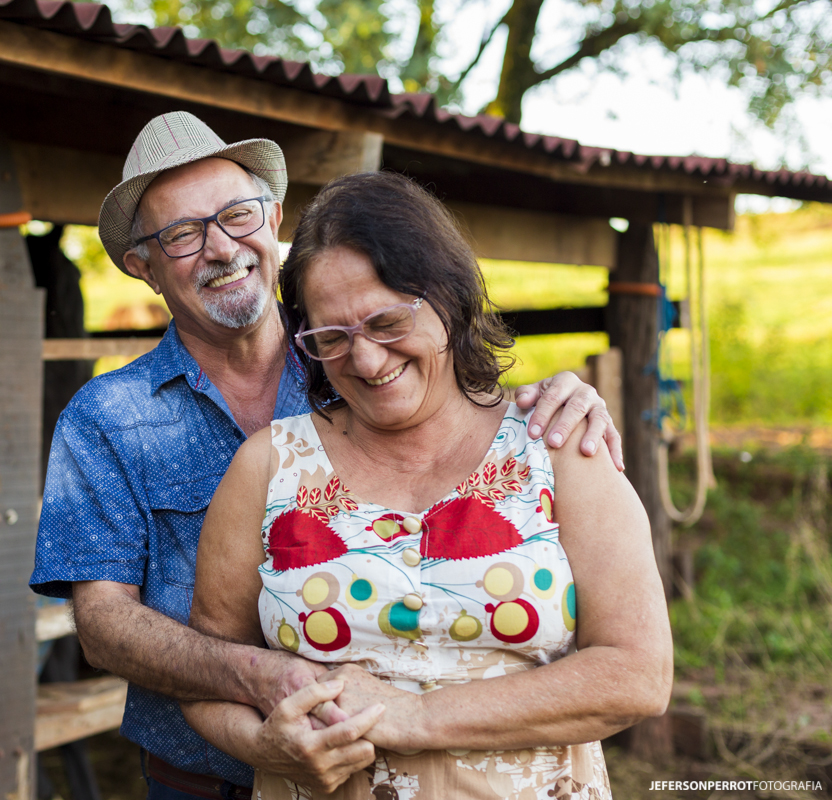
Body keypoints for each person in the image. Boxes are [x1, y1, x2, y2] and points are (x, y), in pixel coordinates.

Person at [30, 111, 627, 800]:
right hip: (200, 772)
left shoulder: (352, 354)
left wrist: (553, 397)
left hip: (410, 766)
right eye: (183, 235)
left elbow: (461, 418)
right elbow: (103, 626)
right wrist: (261, 681)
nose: (222, 247)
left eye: (236, 214)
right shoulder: (105, 417)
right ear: (143, 265)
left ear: (275, 216)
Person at [181, 171, 672, 799]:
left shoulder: (557, 447)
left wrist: (415, 717)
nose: (365, 360)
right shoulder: (268, 467)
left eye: (387, 323)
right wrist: (260, 744)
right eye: (331, 338)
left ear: (448, 298)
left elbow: (638, 674)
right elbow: (206, 675)